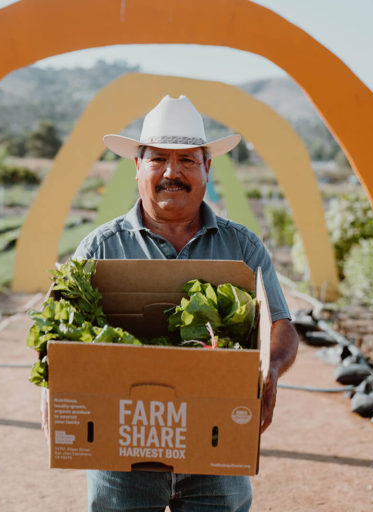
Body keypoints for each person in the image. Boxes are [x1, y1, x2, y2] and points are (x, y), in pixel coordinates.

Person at [73, 95, 299, 512]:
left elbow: (280, 325)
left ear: (207, 169)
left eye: (187, 161)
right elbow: (62, 329)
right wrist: (54, 380)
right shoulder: (100, 248)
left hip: (216, 448)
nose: (171, 173)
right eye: (158, 159)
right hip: (122, 452)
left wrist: (272, 372)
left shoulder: (242, 247)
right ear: (137, 166)